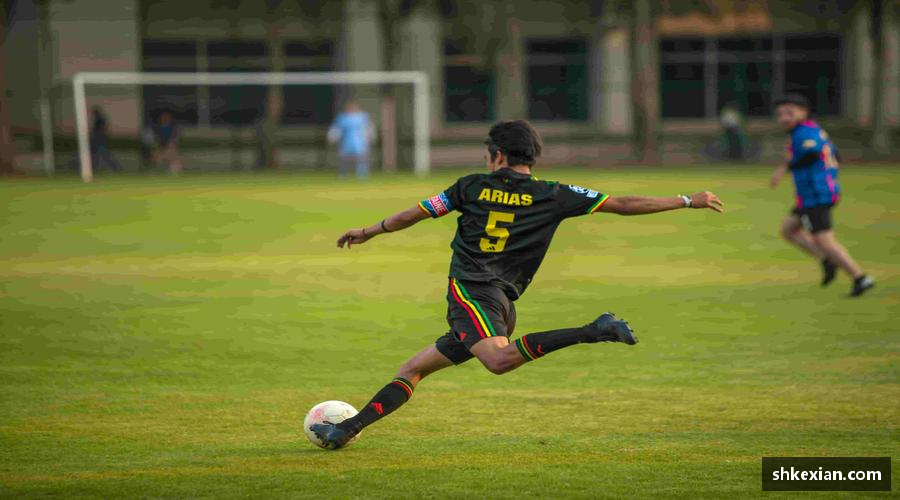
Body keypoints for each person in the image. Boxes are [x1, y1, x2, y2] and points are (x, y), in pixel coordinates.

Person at [311, 120, 725, 449]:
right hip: (503, 303)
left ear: (497, 155)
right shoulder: (555, 193)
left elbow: (416, 213)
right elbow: (621, 205)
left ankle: (592, 330)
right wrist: (686, 200)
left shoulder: (468, 186)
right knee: (415, 369)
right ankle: (345, 430)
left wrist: (370, 230)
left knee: (498, 360)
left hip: (473, 293)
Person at [769, 94, 874, 297]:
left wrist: (788, 166)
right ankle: (826, 260)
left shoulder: (804, 133)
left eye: (789, 113)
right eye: (780, 114)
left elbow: (812, 152)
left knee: (824, 240)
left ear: (804, 113)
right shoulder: (811, 130)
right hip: (813, 194)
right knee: (788, 229)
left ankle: (860, 277)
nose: (783, 118)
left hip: (816, 195)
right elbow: (835, 155)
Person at [327, 101, 375, 179]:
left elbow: (369, 127)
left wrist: (371, 136)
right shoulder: (342, 117)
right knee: (344, 157)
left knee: (362, 157)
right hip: (346, 140)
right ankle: (343, 174)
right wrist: (332, 137)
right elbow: (336, 128)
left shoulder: (363, 116)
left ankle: (362, 173)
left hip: (360, 141)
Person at [90, 107, 123, 172]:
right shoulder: (99, 119)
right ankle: (94, 168)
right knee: (97, 155)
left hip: (99, 140)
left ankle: (116, 167)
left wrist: (97, 136)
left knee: (104, 155)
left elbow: (102, 129)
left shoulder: (100, 119)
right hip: (99, 140)